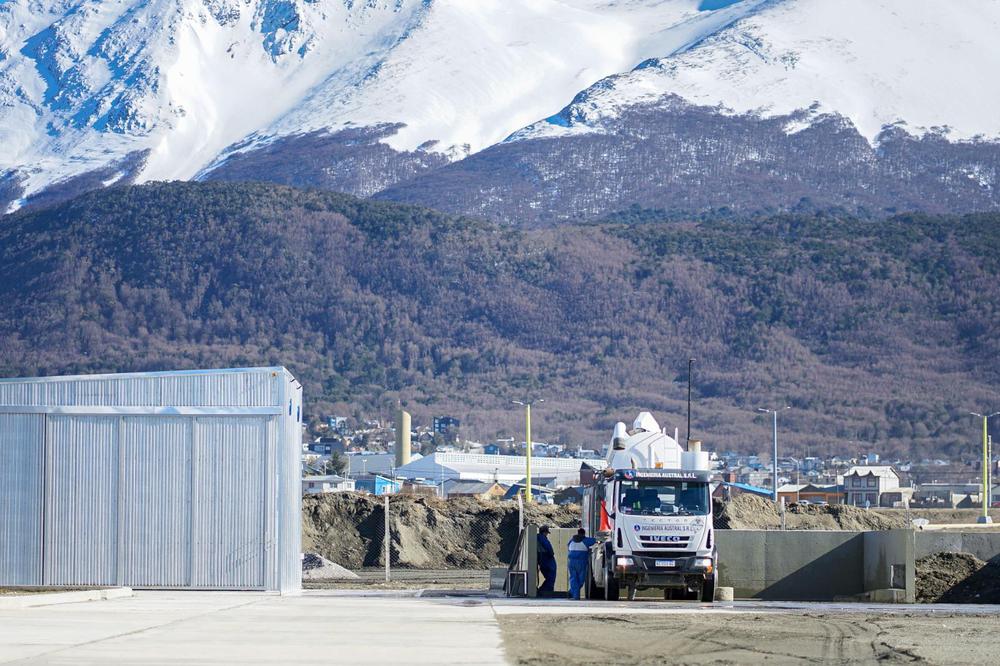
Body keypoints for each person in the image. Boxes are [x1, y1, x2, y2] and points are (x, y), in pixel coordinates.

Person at [567, 528, 596, 600]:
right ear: (583, 533)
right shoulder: (585, 540)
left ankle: (572, 593)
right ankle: (574, 594)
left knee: (573, 578)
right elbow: (594, 541)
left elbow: (568, 546)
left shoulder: (571, 540)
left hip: (571, 562)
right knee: (581, 579)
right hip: (581, 562)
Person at [536, 525, 557, 595]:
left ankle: (543, 591)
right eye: (547, 532)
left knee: (549, 579)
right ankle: (543, 592)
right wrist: (551, 553)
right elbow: (549, 548)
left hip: (543, 560)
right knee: (551, 578)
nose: (547, 534)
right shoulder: (542, 538)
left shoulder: (537, 537)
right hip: (547, 560)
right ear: (544, 532)